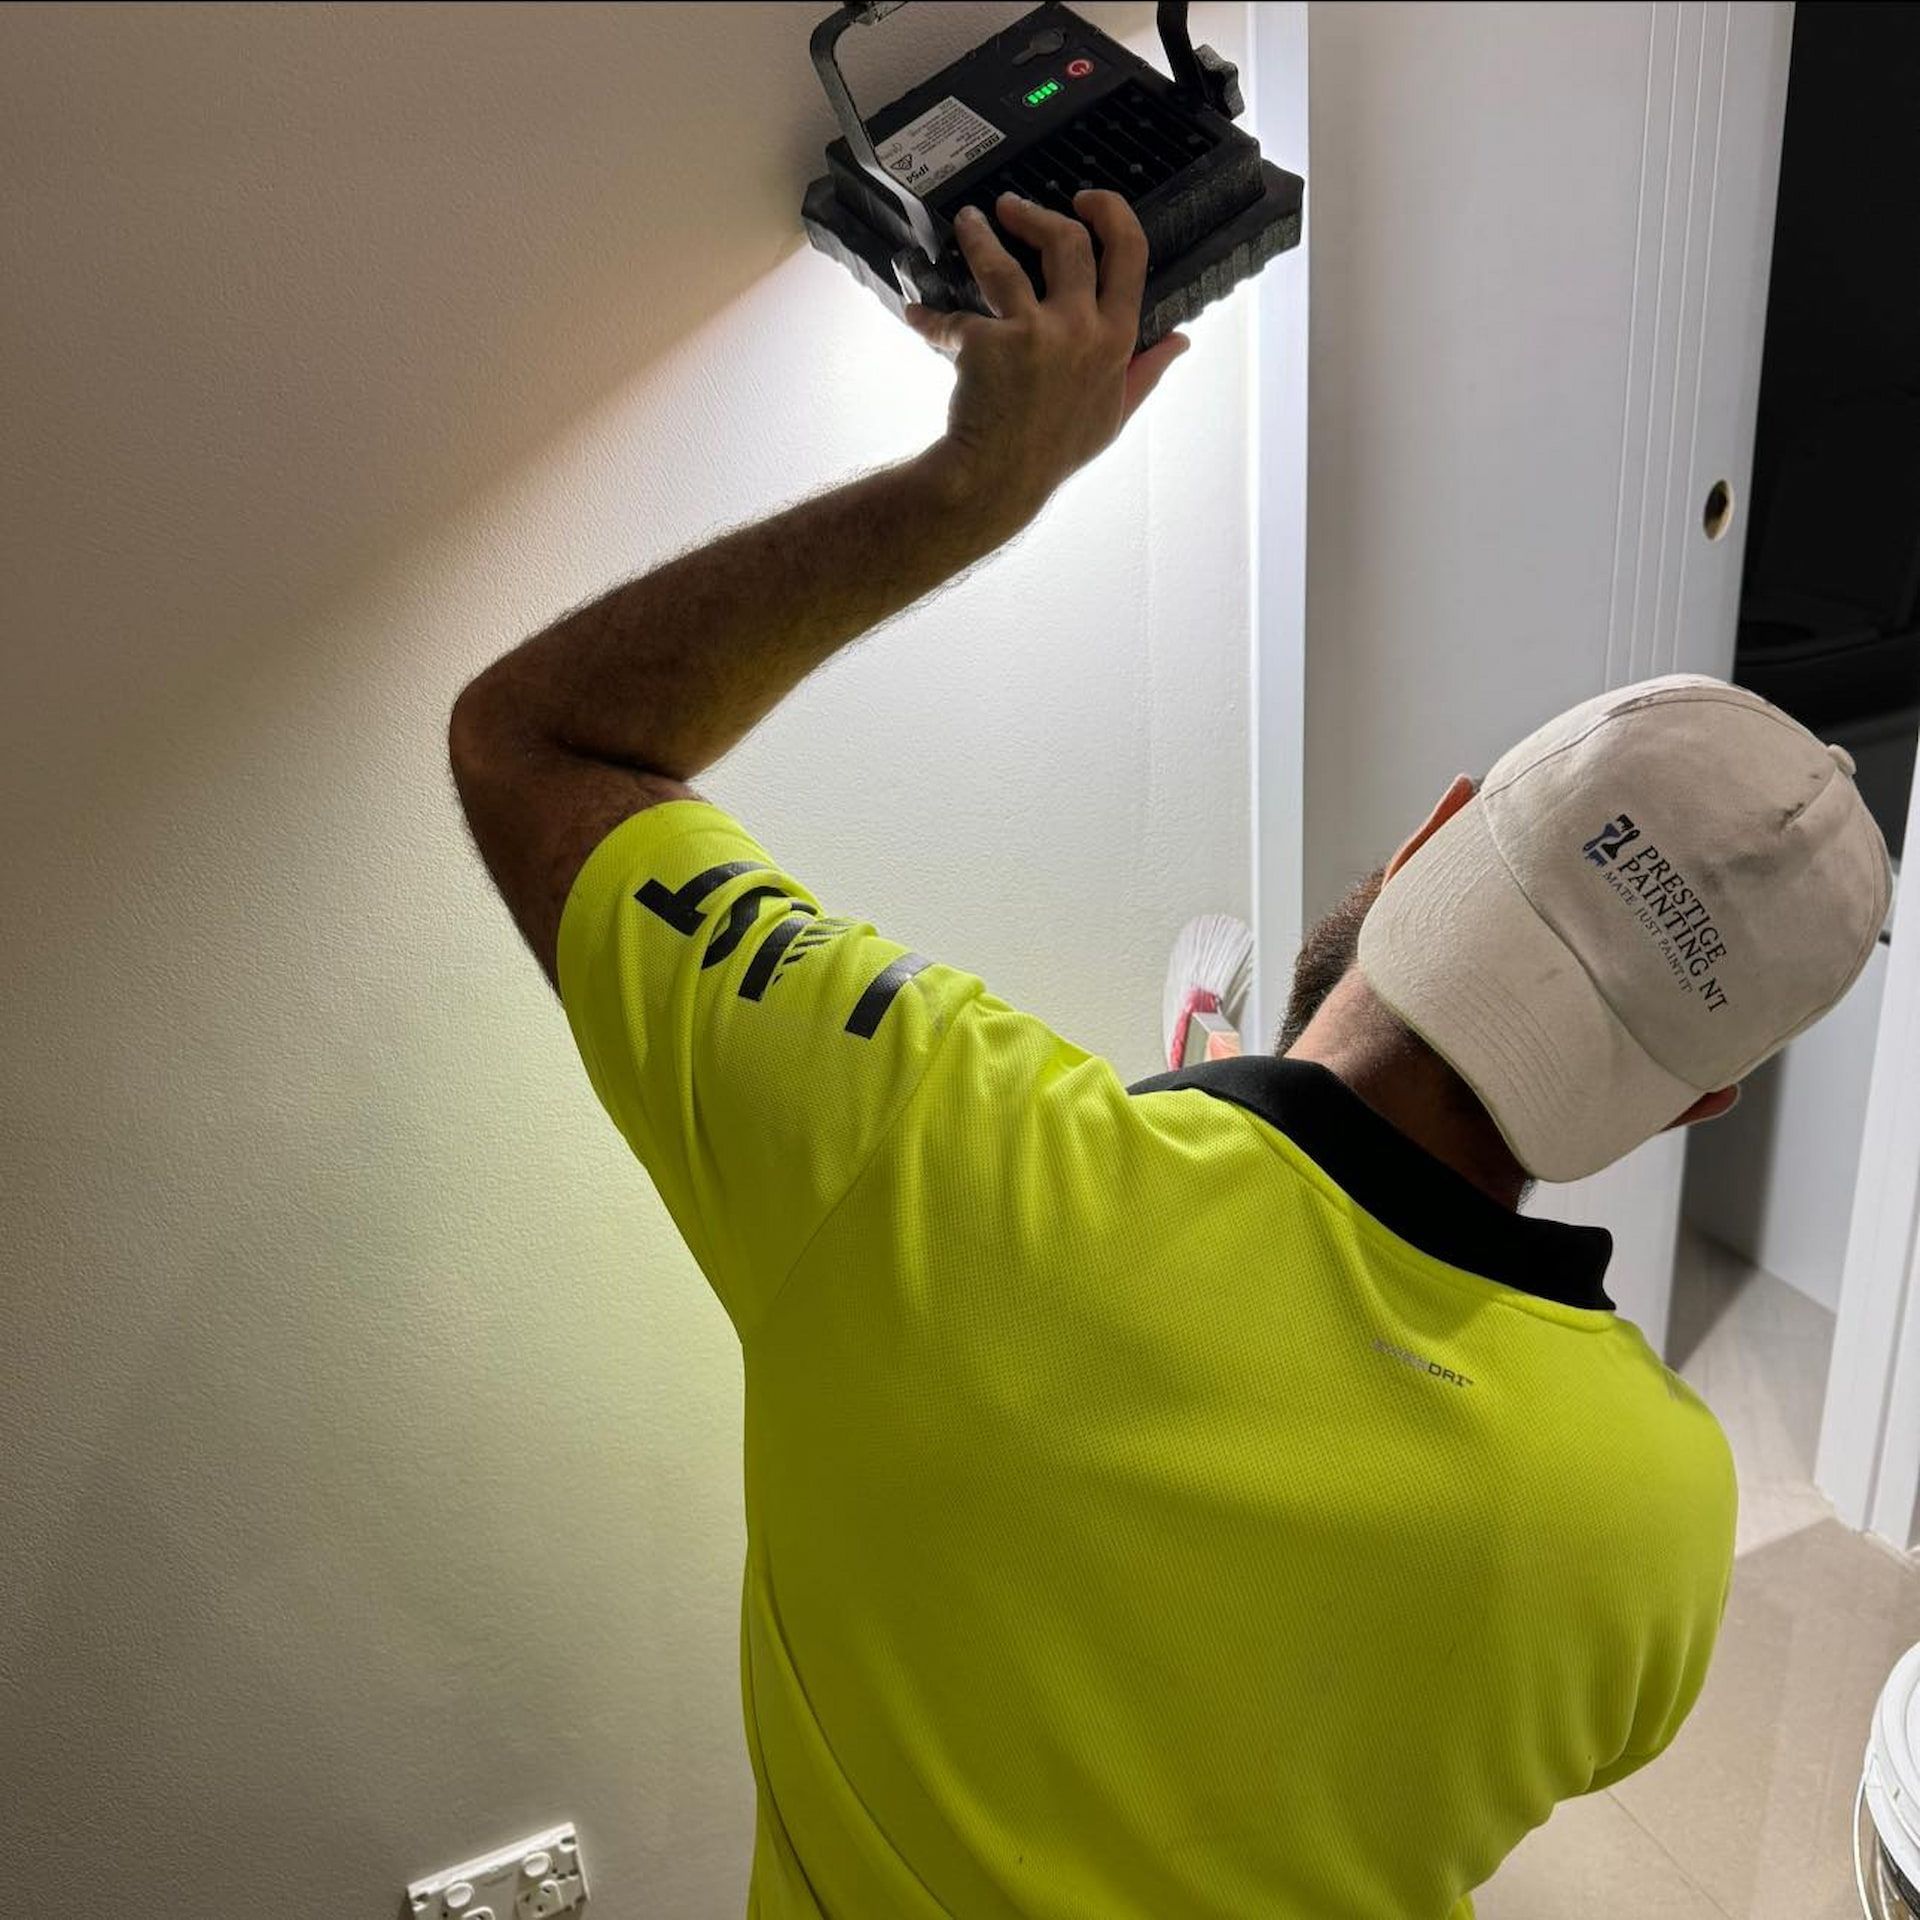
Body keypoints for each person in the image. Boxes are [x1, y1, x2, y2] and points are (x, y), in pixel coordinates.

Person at [448, 190, 1891, 1918]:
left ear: (1438, 834)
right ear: (1703, 1095)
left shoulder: (930, 1152)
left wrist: (974, 486)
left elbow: (535, 744)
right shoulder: (1658, 1519)